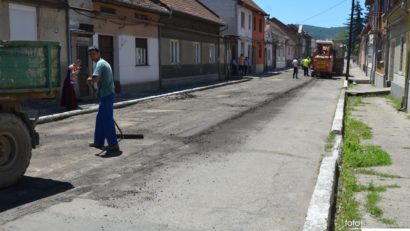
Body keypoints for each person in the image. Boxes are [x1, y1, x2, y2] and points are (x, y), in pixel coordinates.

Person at [86, 46, 120, 152]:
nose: (92, 56)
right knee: (100, 118)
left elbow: (96, 78)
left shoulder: (100, 64)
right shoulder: (102, 63)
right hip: (106, 94)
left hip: (107, 95)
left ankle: (113, 144)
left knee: (107, 120)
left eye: (93, 53)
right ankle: (98, 142)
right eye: (90, 54)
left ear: (98, 53)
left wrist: (89, 80)